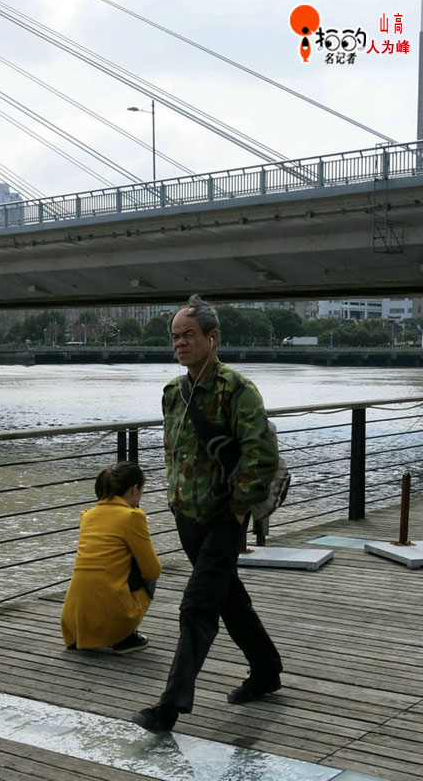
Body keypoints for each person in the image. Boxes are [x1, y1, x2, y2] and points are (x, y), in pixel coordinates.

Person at [132, 294, 283, 734]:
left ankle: (170, 706)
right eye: (174, 336)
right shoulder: (172, 393)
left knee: (198, 605)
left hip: (223, 517)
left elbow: (261, 455)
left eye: (189, 335)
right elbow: (173, 453)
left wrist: (238, 510)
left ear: (212, 338)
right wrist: (174, 499)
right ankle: (266, 669)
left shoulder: (237, 390)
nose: (179, 343)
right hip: (187, 516)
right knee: (228, 598)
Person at [61, 460, 161, 654]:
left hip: (74, 622)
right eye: (142, 491)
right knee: (148, 570)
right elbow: (152, 571)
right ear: (134, 489)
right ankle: (124, 637)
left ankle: (89, 634)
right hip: (114, 617)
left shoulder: (87, 516)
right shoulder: (132, 517)